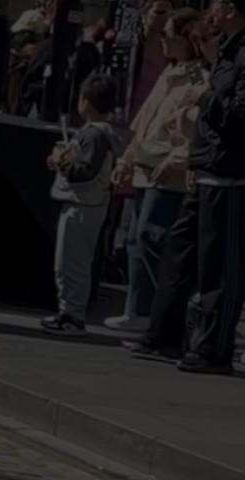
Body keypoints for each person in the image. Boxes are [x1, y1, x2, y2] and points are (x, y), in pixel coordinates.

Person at [107, 8, 208, 332]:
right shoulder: (170, 72)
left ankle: (158, 313)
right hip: (145, 164)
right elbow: (144, 119)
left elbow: (193, 130)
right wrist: (125, 160)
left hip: (167, 170)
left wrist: (176, 159)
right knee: (137, 239)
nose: (161, 41)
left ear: (183, 39)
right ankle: (137, 308)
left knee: (154, 237)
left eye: (166, 35)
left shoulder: (197, 78)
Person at [168, 0, 245, 373]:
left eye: (214, 5)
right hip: (212, 168)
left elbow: (239, 114)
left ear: (230, 9)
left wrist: (205, 97)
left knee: (223, 269)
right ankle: (201, 341)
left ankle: (214, 348)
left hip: (233, 174)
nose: (209, 14)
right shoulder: (230, 50)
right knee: (207, 263)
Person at [40, 74, 130, 336]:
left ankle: (72, 315)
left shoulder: (93, 135)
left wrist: (64, 165)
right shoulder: (105, 134)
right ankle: (68, 310)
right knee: (74, 260)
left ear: (86, 102)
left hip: (82, 203)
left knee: (71, 262)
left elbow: (86, 170)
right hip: (90, 204)